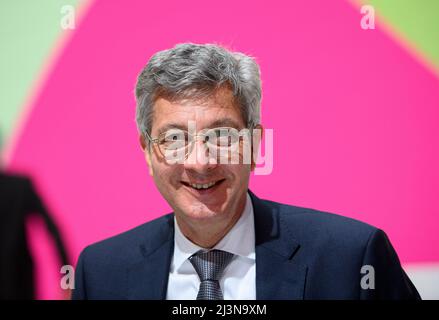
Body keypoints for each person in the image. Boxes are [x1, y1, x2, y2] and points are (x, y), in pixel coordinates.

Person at [72, 43, 420, 300]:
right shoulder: (101, 273)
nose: (200, 162)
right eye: (175, 138)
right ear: (148, 152)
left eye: (221, 135)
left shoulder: (351, 259)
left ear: (254, 145)